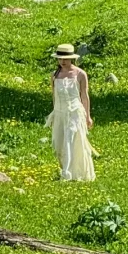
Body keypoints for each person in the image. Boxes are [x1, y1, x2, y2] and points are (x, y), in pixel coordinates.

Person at [47, 43, 95, 181]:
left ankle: (68, 174)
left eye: (66, 59)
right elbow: (54, 95)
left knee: (71, 140)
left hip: (74, 112)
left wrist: (88, 116)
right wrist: (54, 114)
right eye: (60, 59)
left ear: (72, 59)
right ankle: (66, 169)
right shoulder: (54, 75)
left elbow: (84, 96)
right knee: (60, 143)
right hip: (60, 112)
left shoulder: (80, 74)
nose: (63, 62)